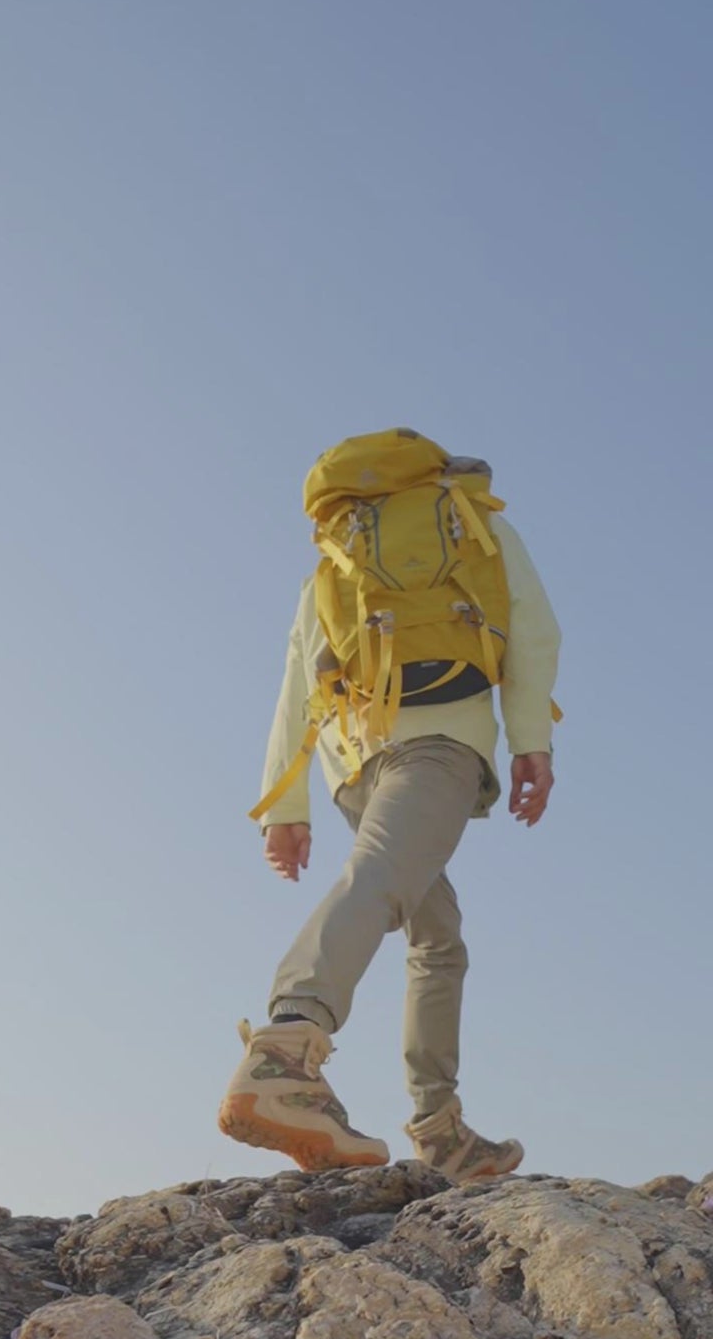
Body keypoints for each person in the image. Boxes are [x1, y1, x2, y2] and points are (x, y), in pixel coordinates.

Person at [218, 429, 561, 1183]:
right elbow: (533, 631)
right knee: (380, 880)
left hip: (352, 764)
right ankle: (285, 1052)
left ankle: (441, 1131)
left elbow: (297, 681)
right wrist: (531, 740)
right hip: (442, 743)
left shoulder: (336, 555)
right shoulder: (473, 524)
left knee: (437, 935)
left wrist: (285, 805)